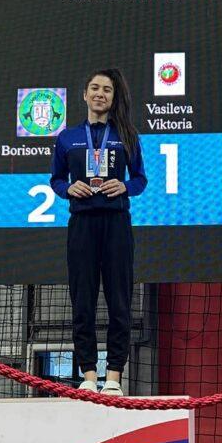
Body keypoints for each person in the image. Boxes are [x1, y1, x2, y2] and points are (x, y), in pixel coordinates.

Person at [50, 68, 147, 395]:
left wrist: (125, 186)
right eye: (95, 88)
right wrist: (67, 189)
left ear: (114, 97)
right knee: (83, 301)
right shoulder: (67, 137)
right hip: (82, 225)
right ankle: (89, 376)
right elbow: (56, 179)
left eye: (107, 89)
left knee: (120, 300)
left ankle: (114, 377)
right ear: (85, 95)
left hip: (117, 224)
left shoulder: (127, 135)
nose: (100, 94)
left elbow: (140, 179)